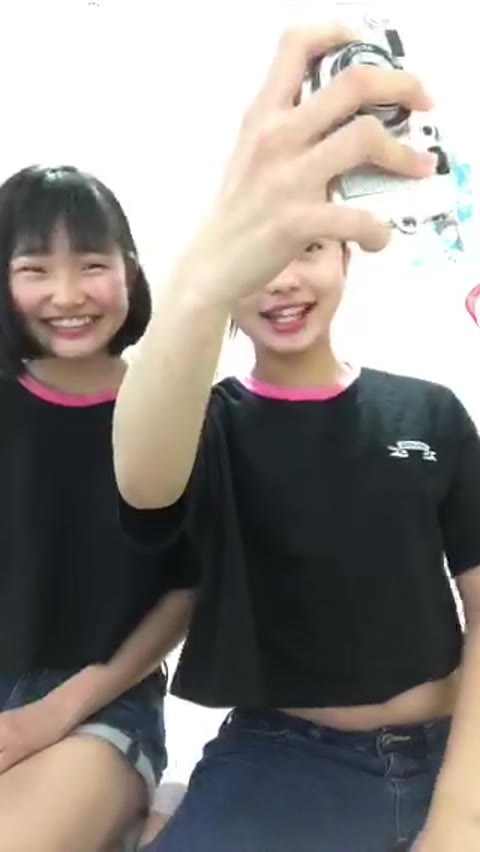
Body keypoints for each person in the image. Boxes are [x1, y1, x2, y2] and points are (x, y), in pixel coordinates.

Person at [113, 24, 480, 852]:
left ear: (346, 254)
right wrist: (201, 279)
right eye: (260, 254)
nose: (281, 278)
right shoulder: (209, 421)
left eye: (308, 247)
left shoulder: (429, 413)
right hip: (283, 758)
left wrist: (461, 815)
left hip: (456, 749)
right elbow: (143, 477)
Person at [0, 164, 195, 852]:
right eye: (35, 269)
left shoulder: (179, 414)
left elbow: (185, 593)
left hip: (102, 703)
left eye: (91, 265)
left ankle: (142, 812)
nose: (67, 295)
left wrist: (52, 714)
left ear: (130, 273)